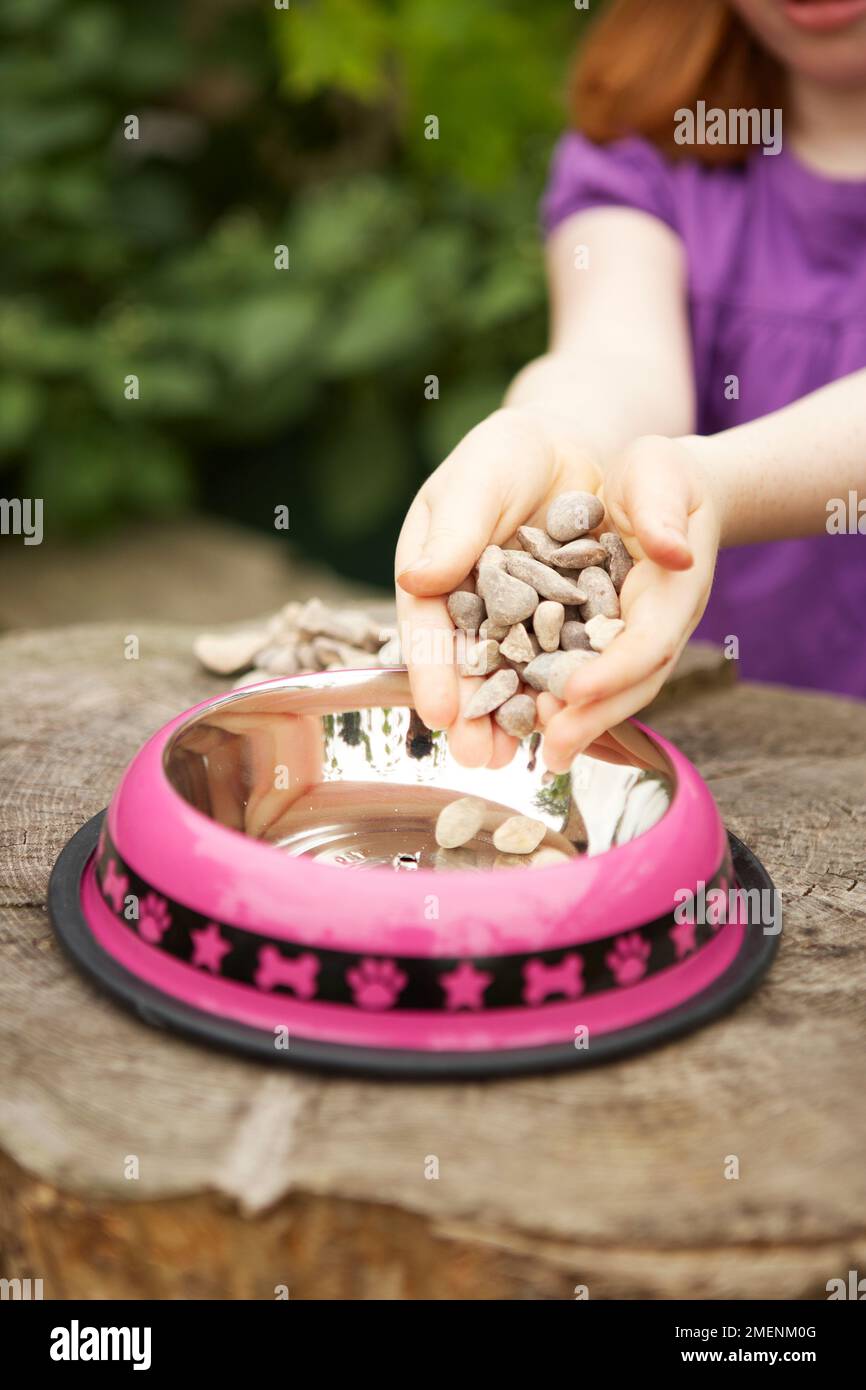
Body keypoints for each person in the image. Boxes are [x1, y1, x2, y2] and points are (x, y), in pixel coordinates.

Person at [395, 0, 866, 772]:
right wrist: (554, 438)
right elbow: (616, 355)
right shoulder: (653, 132)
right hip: (729, 749)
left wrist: (717, 482)